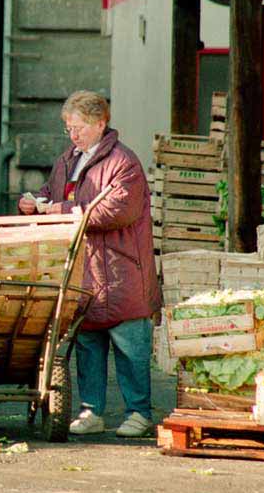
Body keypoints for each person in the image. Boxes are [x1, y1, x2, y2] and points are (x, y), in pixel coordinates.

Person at [18, 90, 159, 438]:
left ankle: (139, 412)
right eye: (69, 128)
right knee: (88, 345)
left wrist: (60, 210)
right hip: (85, 270)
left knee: (130, 347)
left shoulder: (124, 163)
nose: (73, 134)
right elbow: (52, 192)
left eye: (78, 127)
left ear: (101, 123)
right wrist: (35, 201)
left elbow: (117, 211)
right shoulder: (69, 158)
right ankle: (92, 411)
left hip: (122, 270)